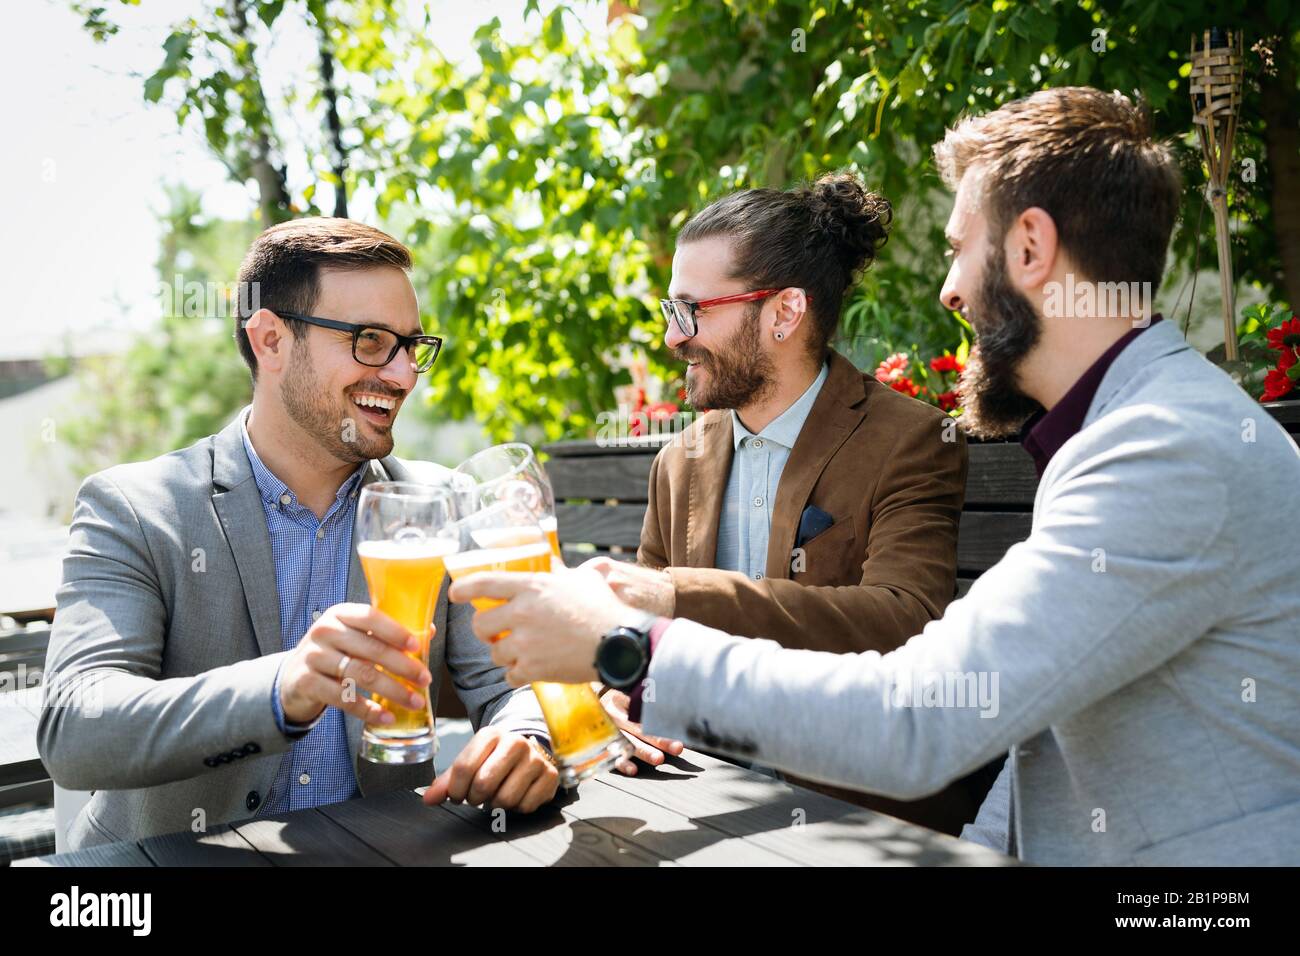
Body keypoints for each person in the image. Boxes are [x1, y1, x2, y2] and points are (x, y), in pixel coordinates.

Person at [449, 88, 1300, 865]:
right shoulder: (1138, 428)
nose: (949, 289)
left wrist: (626, 643)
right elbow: (1044, 733)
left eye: (962, 249)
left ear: (1032, 247)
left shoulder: (1162, 448)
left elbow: (918, 718)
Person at [39, 218, 558, 851]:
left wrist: (528, 737)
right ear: (270, 340)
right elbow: (75, 729)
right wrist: (283, 688)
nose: (402, 375)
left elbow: (520, 683)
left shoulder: (439, 502)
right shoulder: (137, 507)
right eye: (370, 341)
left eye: (410, 345)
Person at [583, 173, 989, 835]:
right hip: (695, 798)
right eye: (670, 312)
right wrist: (620, 704)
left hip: (853, 816)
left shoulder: (909, 440)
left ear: (784, 312)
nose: (672, 338)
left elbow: (905, 620)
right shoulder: (676, 461)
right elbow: (640, 650)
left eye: (692, 312)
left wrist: (681, 596)